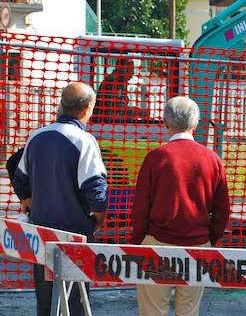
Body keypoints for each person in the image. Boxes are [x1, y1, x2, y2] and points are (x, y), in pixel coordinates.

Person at [13, 82, 109, 316]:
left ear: (61, 105)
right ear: (87, 109)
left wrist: (30, 202)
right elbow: (96, 189)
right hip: (74, 235)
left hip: (40, 233)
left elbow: (20, 179)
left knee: (45, 301)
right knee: (75, 301)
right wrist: (98, 220)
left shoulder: (37, 136)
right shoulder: (84, 141)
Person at [131, 96, 230, 316]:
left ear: (167, 123)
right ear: (195, 124)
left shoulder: (156, 158)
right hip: (197, 244)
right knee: (188, 310)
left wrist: (137, 240)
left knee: (152, 310)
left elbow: (140, 207)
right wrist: (210, 239)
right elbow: (222, 210)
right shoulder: (213, 159)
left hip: (157, 243)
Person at [94, 58, 135, 123]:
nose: (133, 73)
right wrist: (135, 111)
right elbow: (115, 108)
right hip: (104, 123)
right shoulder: (111, 82)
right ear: (122, 69)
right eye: (131, 70)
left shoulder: (121, 83)